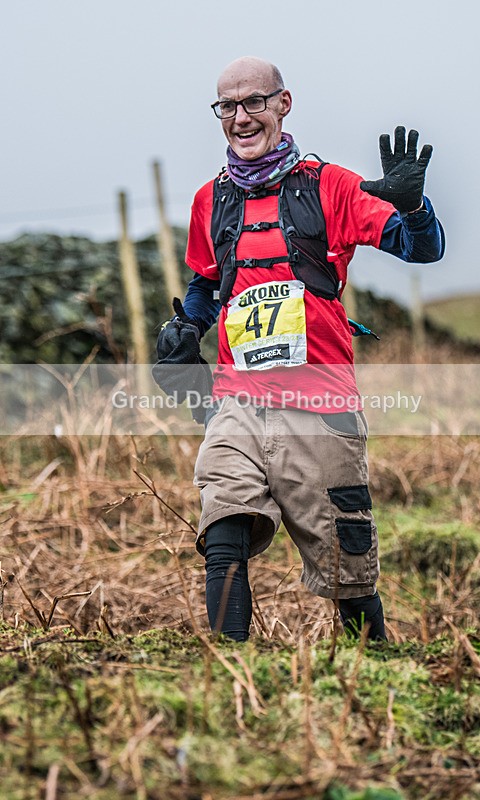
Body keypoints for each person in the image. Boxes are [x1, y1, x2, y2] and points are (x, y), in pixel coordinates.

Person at [159, 56, 444, 642]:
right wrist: (182, 331)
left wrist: (415, 207)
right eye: (228, 107)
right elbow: (208, 285)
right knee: (224, 517)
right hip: (238, 401)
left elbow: (424, 251)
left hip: (323, 406)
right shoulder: (208, 202)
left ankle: (374, 664)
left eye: (254, 102)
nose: (241, 117)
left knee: (348, 570)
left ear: (283, 105)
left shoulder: (330, 186)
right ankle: (229, 666)